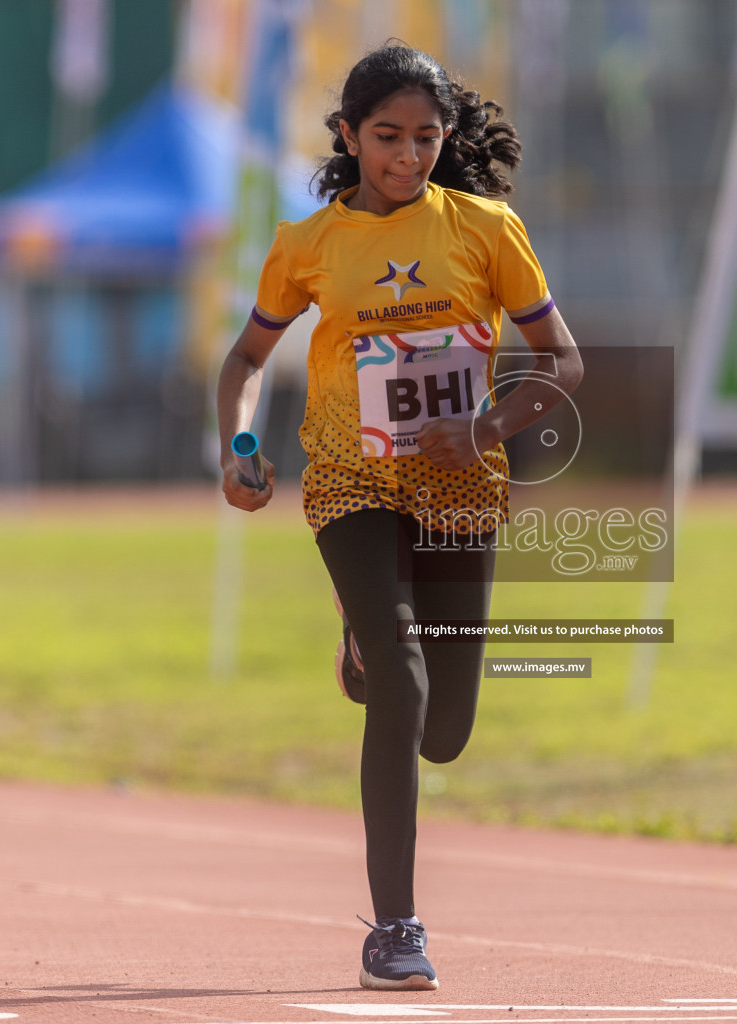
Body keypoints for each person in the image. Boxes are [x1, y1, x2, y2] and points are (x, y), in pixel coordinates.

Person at [215, 43, 582, 991]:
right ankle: (396, 927)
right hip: (351, 481)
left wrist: (489, 424)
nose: (407, 157)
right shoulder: (309, 245)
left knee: (445, 729)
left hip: (463, 485)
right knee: (406, 679)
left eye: (426, 138)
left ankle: (368, 644)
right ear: (347, 134)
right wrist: (240, 447)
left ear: (445, 139)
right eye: (386, 137)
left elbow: (564, 363)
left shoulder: (487, 229)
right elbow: (245, 363)